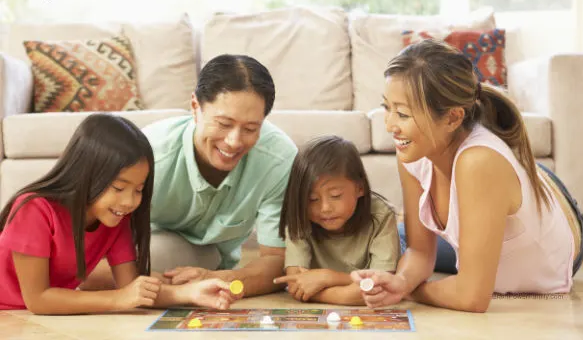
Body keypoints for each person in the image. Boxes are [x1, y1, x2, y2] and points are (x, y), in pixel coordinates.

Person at [351, 39, 583, 313]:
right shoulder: (413, 152)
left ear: (453, 118)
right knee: (395, 238)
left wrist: (409, 291)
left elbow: (471, 297)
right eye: (387, 108)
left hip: (557, 217)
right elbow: (420, 253)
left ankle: (518, 175)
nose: (390, 125)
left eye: (402, 114)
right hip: (491, 189)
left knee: (400, 245)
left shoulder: (479, 163)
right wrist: (401, 281)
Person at [0, 114, 239, 313]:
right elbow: (39, 300)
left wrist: (188, 293)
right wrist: (118, 298)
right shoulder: (33, 210)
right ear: (86, 174)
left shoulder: (115, 219)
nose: (129, 202)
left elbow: (132, 287)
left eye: (138, 190)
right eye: (118, 188)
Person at [142, 54, 297, 297]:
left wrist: (218, 279)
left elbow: (277, 262)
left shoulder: (279, 159)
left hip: (216, 261)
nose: (234, 142)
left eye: (250, 129)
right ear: (195, 107)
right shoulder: (149, 154)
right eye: (224, 124)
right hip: (147, 249)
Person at [273, 135, 400, 305]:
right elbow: (296, 283)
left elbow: (380, 287)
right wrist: (354, 288)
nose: (325, 208)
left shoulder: (382, 215)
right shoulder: (300, 217)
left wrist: (326, 278)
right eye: (312, 199)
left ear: (360, 188)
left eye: (335, 196)